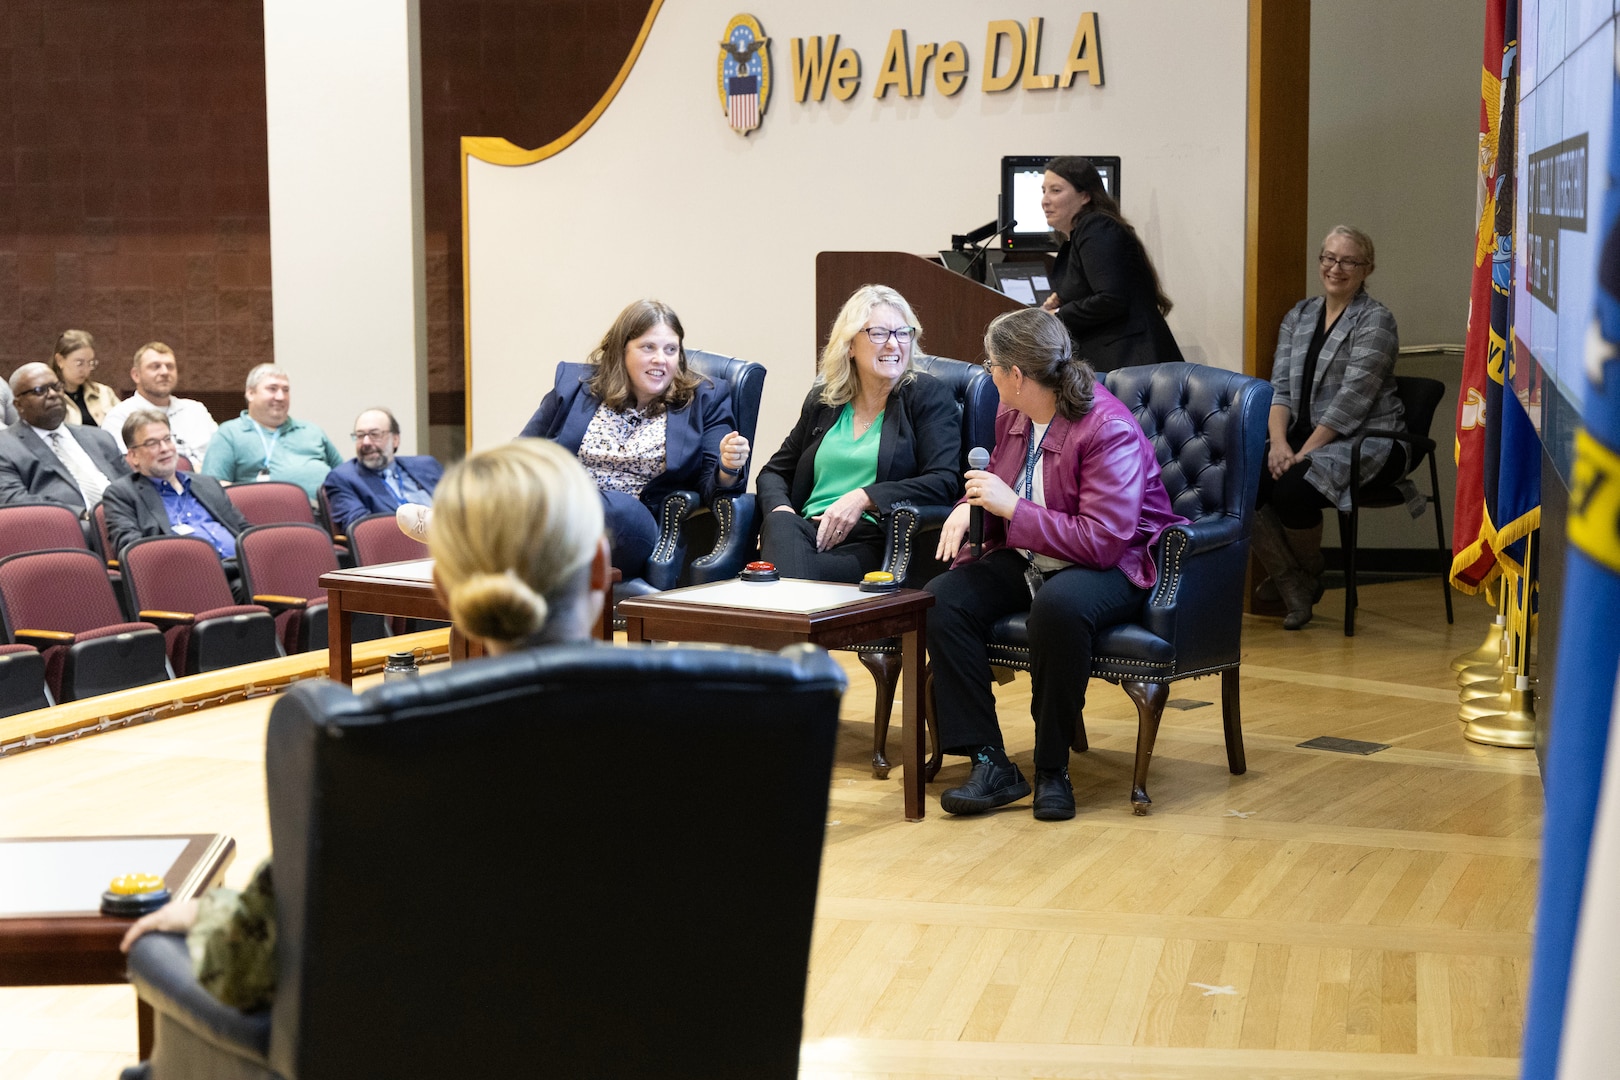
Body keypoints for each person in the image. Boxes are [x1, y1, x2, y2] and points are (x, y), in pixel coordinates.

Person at [118, 438, 612, 1019]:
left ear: (444, 589)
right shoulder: (728, 725)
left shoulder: (368, 749)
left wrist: (208, 916)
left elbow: (248, 967)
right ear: (601, 564)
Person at [923, 308, 1186, 821]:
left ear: (1016, 375)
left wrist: (1011, 508)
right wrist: (965, 507)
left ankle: (1051, 768)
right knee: (945, 600)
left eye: (991, 363)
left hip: (1113, 564)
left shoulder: (1107, 428)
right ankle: (988, 759)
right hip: (1033, 553)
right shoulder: (1013, 415)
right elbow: (998, 487)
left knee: (1058, 608)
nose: (987, 372)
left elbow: (1106, 540)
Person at [518, 299, 749, 580]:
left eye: (671, 350)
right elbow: (521, 453)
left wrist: (728, 465)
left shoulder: (705, 399)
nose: (660, 359)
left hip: (632, 524)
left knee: (616, 508)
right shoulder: (575, 386)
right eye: (648, 347)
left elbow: (713, 487)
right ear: (622, 349)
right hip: (559, 511)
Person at [1255, 225, 1412, 630]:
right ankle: (1298, 580)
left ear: (1367, 269)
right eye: (1329, 257)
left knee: (1293, 487)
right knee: (1238, 477)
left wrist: (1301, 454)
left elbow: (1352, 402)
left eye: (1349, 261)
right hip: (1303, 436)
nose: (1336, 268)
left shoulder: (1376, 320)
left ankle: (1303, 576)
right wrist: (1277, 443)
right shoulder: (1299, 314)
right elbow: (1280, 389)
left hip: (1369, 438)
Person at [756, 284, 961, 581]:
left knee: (772, 582)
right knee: (779, 526)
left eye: (902, 333)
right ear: (850, 345)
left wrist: (864, 497)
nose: (893, 344)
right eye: (878, 334)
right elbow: (773, 472)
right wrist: (780, 512)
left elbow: (943, 481)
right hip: (804, 533)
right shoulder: (825, 401)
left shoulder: (927, 396)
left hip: (868, 541)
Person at [1038, 156, 1182, 372]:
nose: (1045, 200)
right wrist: (1060, 301)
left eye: (1056, 191)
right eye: (1043, 191)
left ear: (1085, 195)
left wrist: (1059, 315)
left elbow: (1111, 299)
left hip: (1133, 365)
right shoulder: (1081, 235)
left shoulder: (1096, 227)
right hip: (1117, 363)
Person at [101, 410, 252, 573]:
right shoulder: (122, 494)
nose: (165, 448)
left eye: (167, 439)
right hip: (191, 578)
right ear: (134, 456)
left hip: (243, 569)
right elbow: (131, 550)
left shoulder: (207, 484)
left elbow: (243, 530)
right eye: (152, 443)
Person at [0, 362, 128, 513]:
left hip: (128, 523)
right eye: (40, 390)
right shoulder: (6, 446)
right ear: (18, 405)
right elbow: (15, 502)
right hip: (67, 529)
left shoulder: (100, 438)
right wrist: (83, 517)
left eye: (56, 387)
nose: (53, 394)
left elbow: (134, 485)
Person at [201, 364, 342, 499]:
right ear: (250, 393)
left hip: (329, 514)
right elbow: (213, 488)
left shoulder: (312, 431)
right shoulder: (229, 434)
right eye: (272, 389)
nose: (280, 397)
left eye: (285, 390)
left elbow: (345, 475)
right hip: (267, 518)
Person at [322, 407, 442, 533]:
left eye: (375, 434)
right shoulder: (343, 478)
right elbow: (361, 529)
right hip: (403, 547)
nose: (366, 442)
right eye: (360, 435)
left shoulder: (426, 465)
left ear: (395, 439)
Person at [100, 342, 221, 466]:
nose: (164, 372)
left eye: (170, 366)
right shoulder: (120, 417)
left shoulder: (195, 410)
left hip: (206, 481)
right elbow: (124, 469)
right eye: (155, 366)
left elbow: (221, 454)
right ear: (136, 375)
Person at [50, 329, 118, 427]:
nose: (86, 370)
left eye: (90, 363)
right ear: (60, 360)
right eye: (79, 363)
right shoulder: (49, 397)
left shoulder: (104, 393)